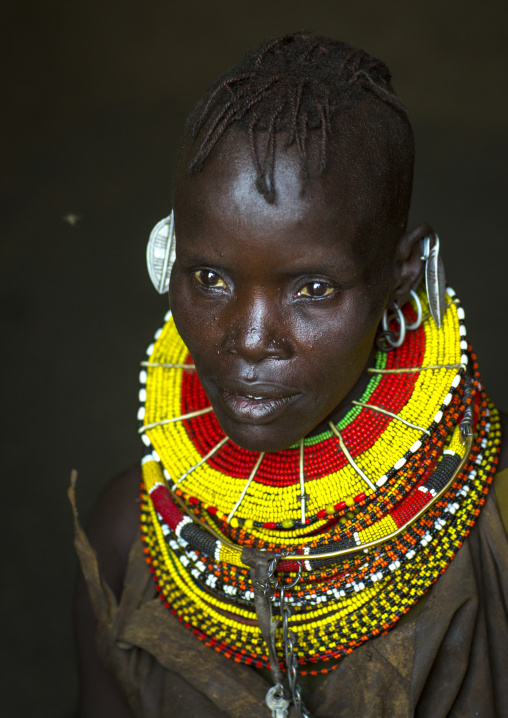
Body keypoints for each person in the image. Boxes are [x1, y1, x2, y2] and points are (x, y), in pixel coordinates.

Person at [72, 33, 508, 718]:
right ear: (169, 253)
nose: (247, 341)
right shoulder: (126, 536)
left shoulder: (492, 522)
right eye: (209, 277)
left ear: (402, 273)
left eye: (312, 289)